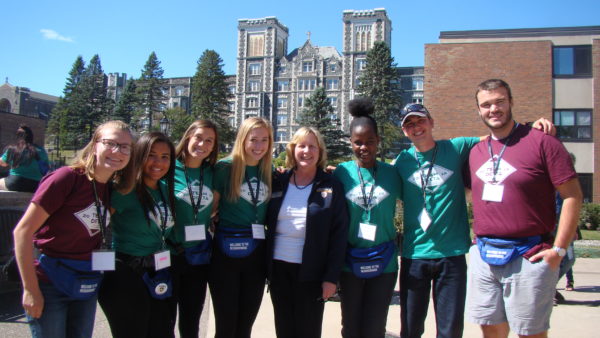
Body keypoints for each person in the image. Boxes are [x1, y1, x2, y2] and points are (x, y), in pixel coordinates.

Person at [394, 103, 556, 338]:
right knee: (410, 329)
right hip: (414, 254)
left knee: (450, 331)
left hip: (452, 255)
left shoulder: (456, 147)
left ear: (431, 122)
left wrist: (531, 127)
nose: (416, 127)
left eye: (420, 120)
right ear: (403, 131)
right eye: (409, 124)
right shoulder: (401, 162)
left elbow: (498, 135)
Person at [467, 79, 582, 337]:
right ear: (478, 110)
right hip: (485, 254)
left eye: (499, 102)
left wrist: (559, 249)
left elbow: (573, 196)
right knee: (490, 330)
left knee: (530, 332)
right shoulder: (476, 151)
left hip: (529, 254)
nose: (493, 109)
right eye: (486, 105)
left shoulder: (543, 143)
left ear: (511, 103)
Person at [12, 120, 134, 338]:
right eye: (110, 143)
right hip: (50, 283)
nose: (118, 151)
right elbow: (22, 232)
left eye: (125, 147)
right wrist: (30, 289)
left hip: (85, 281)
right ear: (95, 144)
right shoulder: (67, 178)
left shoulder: (109, 188)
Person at [266, 127, 349, 338]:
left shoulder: (331, 184)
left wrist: (331, 278)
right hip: (279, 271)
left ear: (320, 151)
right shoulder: (278, 181)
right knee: (284, 329)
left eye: (312, 146)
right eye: (301, 145)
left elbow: (339, 235)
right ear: (293, 150)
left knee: (308, 331)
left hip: (312, 273)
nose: (307, 151)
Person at [333, 98, 402, 338]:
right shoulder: (341, 173)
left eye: (370, 142)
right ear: (350, 143)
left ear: (378, 142)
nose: (364, 147)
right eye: (358, 142)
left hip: (385, 263)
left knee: (375, 328)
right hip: (349, 263)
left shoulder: (393, 174)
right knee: (351, 327)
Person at [98, 132, 177, 338]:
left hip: (157, 269)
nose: (158, 162)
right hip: (125, 273)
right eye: (151, 155)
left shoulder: (163, 189)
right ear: (139, 155)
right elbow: (97, 226)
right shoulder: (124, 190)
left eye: (165, 156)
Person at [209, 117, 273, 338]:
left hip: (256, 255)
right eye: (253, 139)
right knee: (226, 325)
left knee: (245, 324)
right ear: (243, 139)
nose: (259, 146)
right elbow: (210, 210)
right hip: (226, 254)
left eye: (264, 140)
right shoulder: (225, 168)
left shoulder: (269, 171)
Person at [168, 120, 218, 338]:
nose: (203, 144)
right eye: (198, 137)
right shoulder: (168, 167)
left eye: (209, 141)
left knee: (191, 321)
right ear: (188, 137)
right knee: (164, 320)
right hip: (169, 254)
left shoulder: (213, 172)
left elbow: (216, 206)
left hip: (199, 256)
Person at [0, 124, 49, 192]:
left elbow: (3, 163)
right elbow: (46, 168)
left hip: (16, 182)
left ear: (17, 137)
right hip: (36, 185)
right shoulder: (41, 151)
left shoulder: (13, 149)